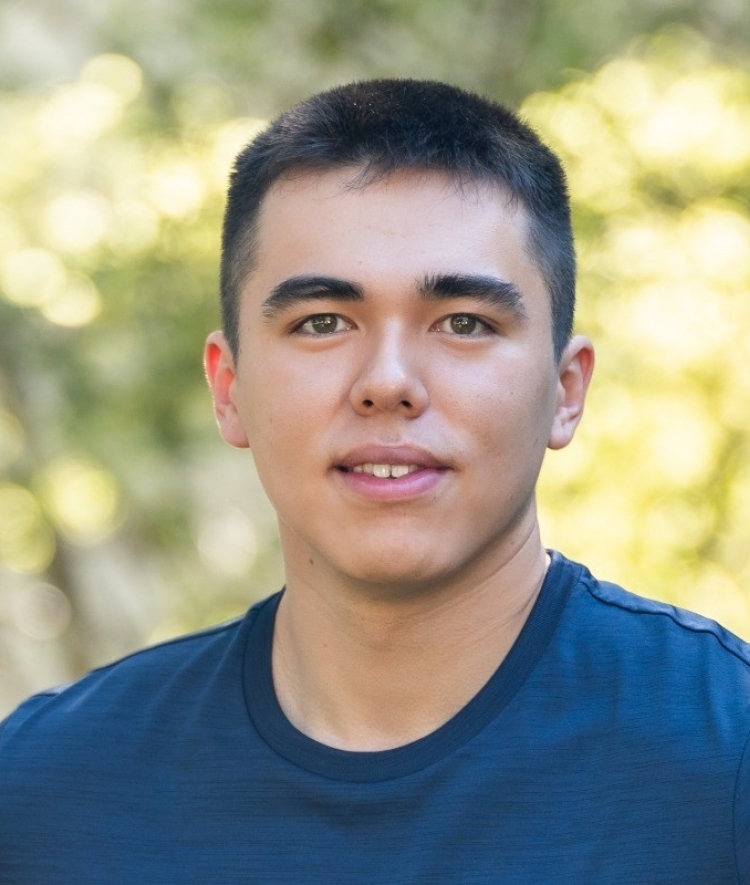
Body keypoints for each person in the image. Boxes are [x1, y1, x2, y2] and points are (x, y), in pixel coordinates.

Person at [1, 78, 748, 883]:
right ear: (229, 388)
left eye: (465, 322)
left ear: (566, 391)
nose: (388, 381)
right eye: (322, 322)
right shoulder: (45, 790)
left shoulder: (725, 755)